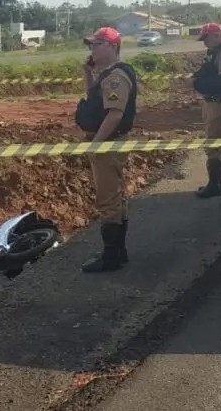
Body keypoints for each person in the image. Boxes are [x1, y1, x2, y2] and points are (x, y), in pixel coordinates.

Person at [75, 27, 138, 273]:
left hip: (108, 143)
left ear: (112, 47)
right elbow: (94, 100)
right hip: (108, 141)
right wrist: (88, 74)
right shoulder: (106, 74)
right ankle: (118, 252)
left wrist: (96, 144)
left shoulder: (115, 77)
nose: (92, 48)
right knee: (114, 197)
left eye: (97, 44)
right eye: (91, 44)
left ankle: (111, 256)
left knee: (108, 199)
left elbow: (114, 114)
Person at [191, 22, 221, 198]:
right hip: (212, 102)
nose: (205, 43)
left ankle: (214, 185)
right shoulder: (215, 53)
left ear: (217, 35)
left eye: (207, 38)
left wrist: (199, 83)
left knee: (213, 144)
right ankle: (219, 183)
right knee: (217, 143)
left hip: (220, 103)